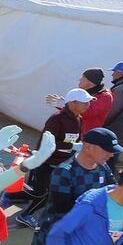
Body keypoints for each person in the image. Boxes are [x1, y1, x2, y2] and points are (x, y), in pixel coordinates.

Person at [12, 128, 121, 245]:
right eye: (107, 149)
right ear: (88, 146)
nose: (112, 154)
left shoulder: (102, 168)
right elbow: (64, 210)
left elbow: (113, 194)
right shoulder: (65, 172)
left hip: (81, 235)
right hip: (55, 232)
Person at [15, 87, 94, 227]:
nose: (88, 105)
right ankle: (23, 214)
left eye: (89, 102)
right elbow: (48, 143)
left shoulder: (79, 119)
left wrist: (77, 147)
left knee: (46, 192)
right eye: (85, 102)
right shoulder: (56, 119)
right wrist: (71, 147)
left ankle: (14, 201)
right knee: (42, 193)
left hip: (62, 164)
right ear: (73, 103)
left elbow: (76, 140)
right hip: (46, 162)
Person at [103, 61, 123, 163]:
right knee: (112, 161)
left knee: (105, 164)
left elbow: (111, 112)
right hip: (122, 133)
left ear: (120, 73)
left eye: (114, 72)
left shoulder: (120, 89)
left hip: (111, 132)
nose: (112, 74)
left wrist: (100, 125)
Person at [77, 68, 114, 133]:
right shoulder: (85, 92)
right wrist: (59, 103)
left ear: (91, 81)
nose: (80, 79)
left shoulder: (104, 96)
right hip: (76, 132)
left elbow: (86, 112)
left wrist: (65, 103)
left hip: (88, 136)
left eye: (83, 77)